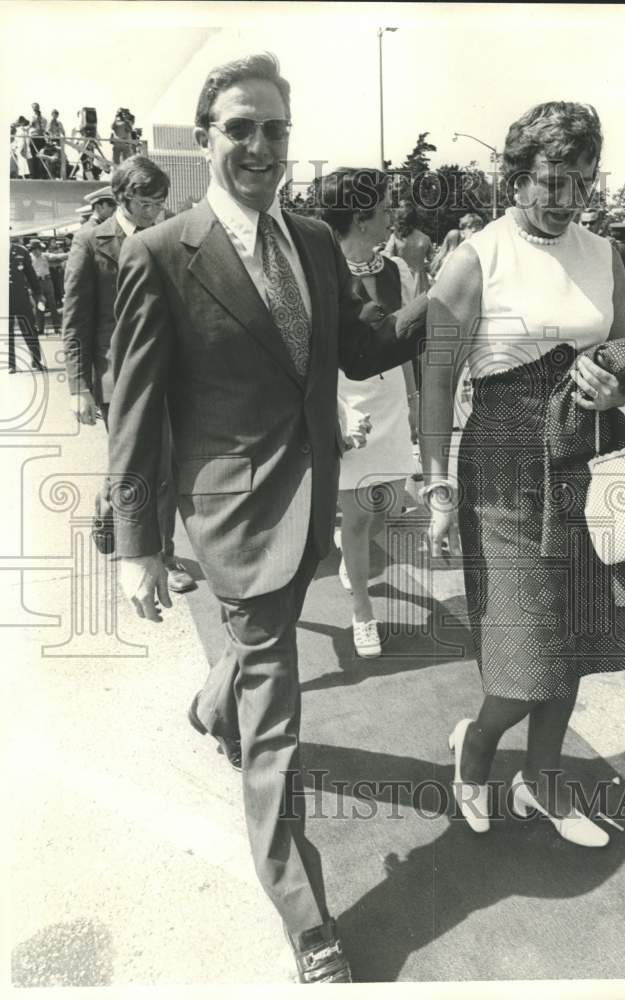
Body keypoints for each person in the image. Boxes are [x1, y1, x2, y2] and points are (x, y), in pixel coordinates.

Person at [108, 54, 426, 983]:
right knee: (276, 716)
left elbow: (360, 348)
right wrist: (139, 546)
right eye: (239, 128)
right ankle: (307, 917)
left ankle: (214, 705)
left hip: (313, 490)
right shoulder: (160, 251)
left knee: (254, 663)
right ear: (206, 138)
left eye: (274, 129)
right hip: (233, 511)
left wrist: (441, 300)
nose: (258, 145)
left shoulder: (317, 241)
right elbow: (134, 408)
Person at [422, 100, 625, 850]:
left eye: (580, 181)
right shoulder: (473, 258)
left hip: (585, 461)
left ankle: (540, 783)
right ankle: (476, 748)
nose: (564, 198)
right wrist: (436, 486)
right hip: (501, 469)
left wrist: (617, 388)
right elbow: (436, 379)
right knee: (522, 656)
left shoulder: (606, 255)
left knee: (574, 637)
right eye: (549, 180)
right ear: (515, 177)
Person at [62, 155, 193, 592]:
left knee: (167, 465)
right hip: (115, 377)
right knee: (141, 463)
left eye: (161, 200)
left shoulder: (167, 235)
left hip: (169, 371)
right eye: (148, 202)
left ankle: (164, 552)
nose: (157, 209)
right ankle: (119, 514)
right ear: (123, 196)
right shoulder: (89, 241)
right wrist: (78, 387)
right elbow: (75, 321)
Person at [317, 167, 417, 657]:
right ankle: (362, 612)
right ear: (361, 218)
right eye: (383, 209)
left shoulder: (395, 271)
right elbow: (310, 354)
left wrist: (415, 405)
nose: (391, 217)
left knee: (388, 505)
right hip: (344, 398)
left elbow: (406, 343)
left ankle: (351, 549)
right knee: (357, 518)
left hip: (391, 400)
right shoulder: (317, 270)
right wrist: (334, 413)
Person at [8, 237, 46, 374]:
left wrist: (38, 293)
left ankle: (36, 360)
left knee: (29, 327)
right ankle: (11, 364)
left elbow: (30, 274)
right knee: (7, 330)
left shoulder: (21, 251)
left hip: (21, 296)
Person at [384, 201, 433, 295]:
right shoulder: (425, 238)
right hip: (422, 283)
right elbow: (432, 262)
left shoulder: (395, 238)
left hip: (402, 281)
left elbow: (387, 260)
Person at [28, 239, 61, 336]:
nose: (37, 251)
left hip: (47, 281)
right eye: (35, 249)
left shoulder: (45, 256)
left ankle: (57, 327)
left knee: (53, 305)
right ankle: (40, 328)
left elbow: (57, 257)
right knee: (40, 306)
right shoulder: (29, 258)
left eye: (38, 249)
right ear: (33, 249)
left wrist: (70, 254)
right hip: (36, 283)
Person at [28, 103, 47, 178]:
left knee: (43, 155)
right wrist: (32, 124)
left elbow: (44, 127)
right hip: (34, 137)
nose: (35, 109)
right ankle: (35, 175)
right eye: (34, 108)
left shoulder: (43, 118)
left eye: (36, 107)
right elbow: (28, 126)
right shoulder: (31, 117)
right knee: (34, 156)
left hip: (41, 138)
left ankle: (43, 174)